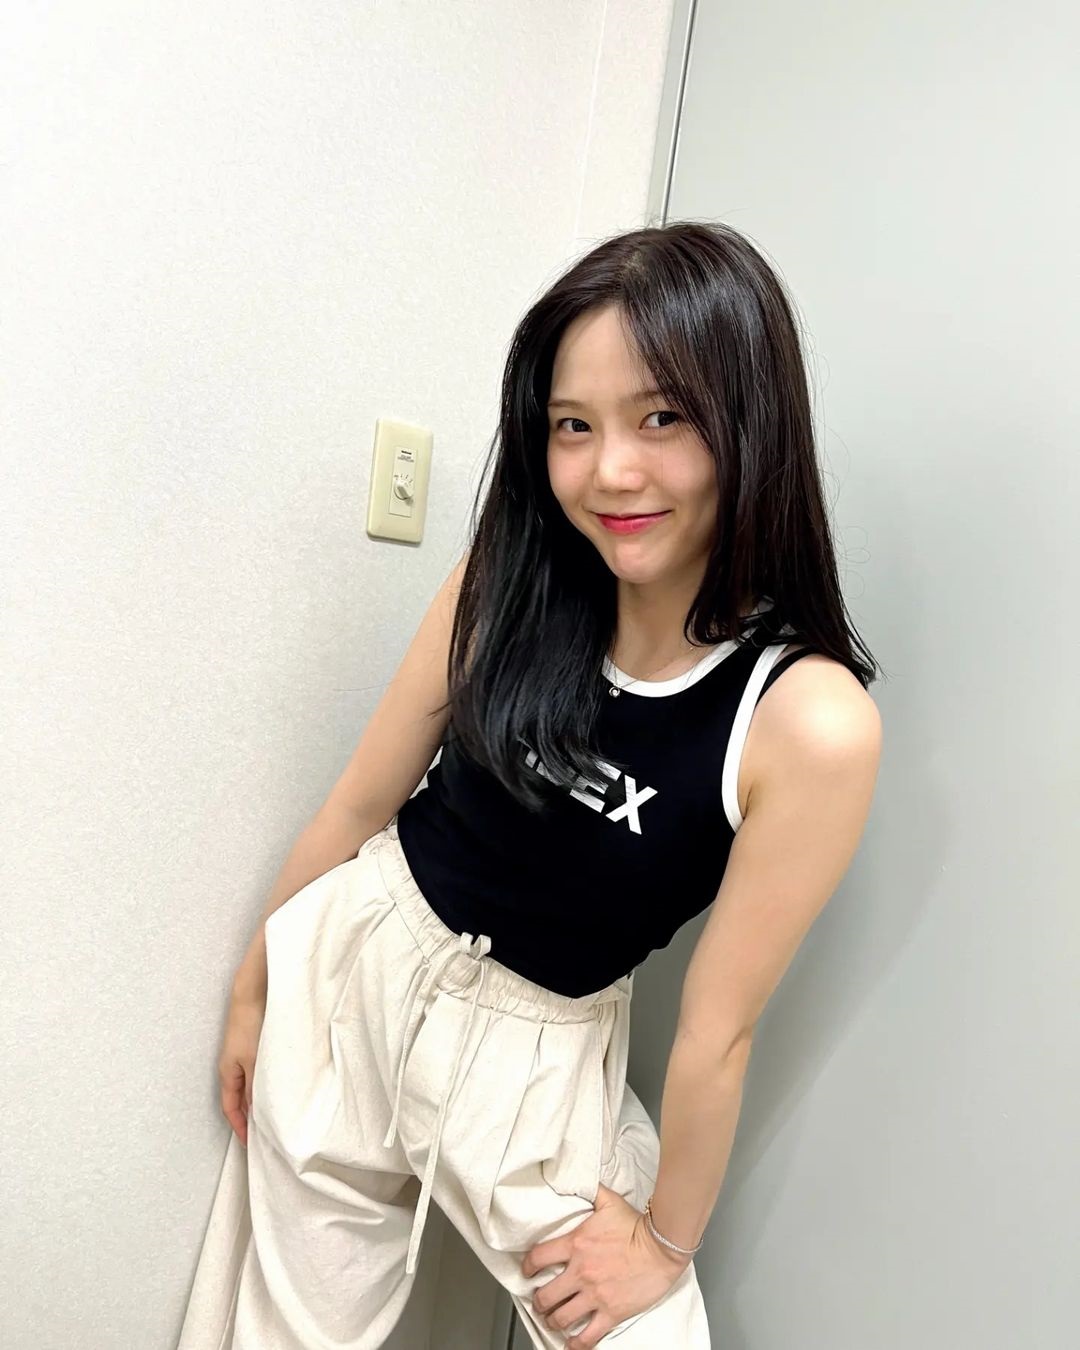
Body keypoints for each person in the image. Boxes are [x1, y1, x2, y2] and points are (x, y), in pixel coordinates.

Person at [176, 220, 883, 1350]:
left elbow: (716, 1031)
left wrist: (665, 1243)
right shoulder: (503, 582)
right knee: (281, 1333)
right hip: (362, 962)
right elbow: (357, 806)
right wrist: (259, 985)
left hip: (540, 1059)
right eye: (573, 425)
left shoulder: (806, 720)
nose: (611, 471)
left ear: (750, 423)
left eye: (663, 417)